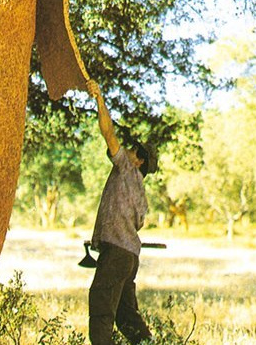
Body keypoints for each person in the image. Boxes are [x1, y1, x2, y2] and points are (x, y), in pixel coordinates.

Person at [86, 78, 158, 345]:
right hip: (129, 257)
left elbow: (108, 133)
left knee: (101, 308)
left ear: (137, 158)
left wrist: (99, 99)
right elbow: (133, 224)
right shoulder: (140, 191)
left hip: (116, 255)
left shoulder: (126, 169)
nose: (124, 149)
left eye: (131, 149)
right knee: (127, 316)